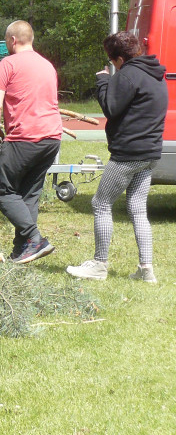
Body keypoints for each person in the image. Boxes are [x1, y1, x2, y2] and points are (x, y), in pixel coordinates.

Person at [67, 31, 167, 282]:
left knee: (100, 204)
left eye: (112, 61)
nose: (112, 66)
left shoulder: (128, 75)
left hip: (128, 155)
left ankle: (99, 265)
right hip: (150, 153)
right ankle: (146, 270)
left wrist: (103, 81)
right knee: (137, 208)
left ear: (119, 59)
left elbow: (110, 108)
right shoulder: (155, 74)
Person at [0, 20, 63, 264]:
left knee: (2, 191)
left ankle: (34, 238)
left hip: (24, 138)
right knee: (28, 195)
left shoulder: (8, 63)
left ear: (12, 41)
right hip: (52, 138)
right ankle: (23, 249)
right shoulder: (47, 65)